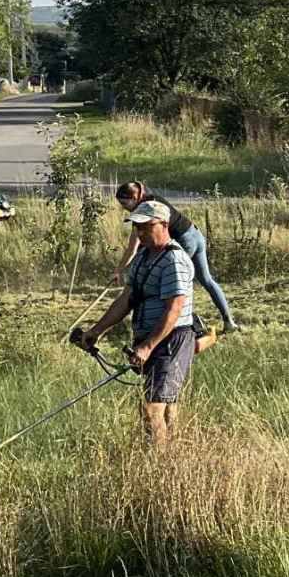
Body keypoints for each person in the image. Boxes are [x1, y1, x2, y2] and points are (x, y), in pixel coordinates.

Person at [75, 201, 202, 445]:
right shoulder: (143, 257)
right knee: (166, 403)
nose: (140, 232)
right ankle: (174, 452)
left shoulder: (174, 260)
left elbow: (174, 309)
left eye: (146, 226)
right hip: (150, 338)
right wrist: (96, 331)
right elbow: (126, 299)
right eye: (137, 227)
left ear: (164, 224)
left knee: (152, 408)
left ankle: (158, 460)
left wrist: (148, 347)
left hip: (171, 339)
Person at [114, 182, 235, 333]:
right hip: (195, 235)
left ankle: (187, 324)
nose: (124, 208)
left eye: (124, 203)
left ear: (134, 197)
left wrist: (119, 270)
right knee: (207, 280)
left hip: (185, 240)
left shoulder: (146, 211)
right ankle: (229, 322)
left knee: (168, 283)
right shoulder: (152, 199)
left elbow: (133, 249)